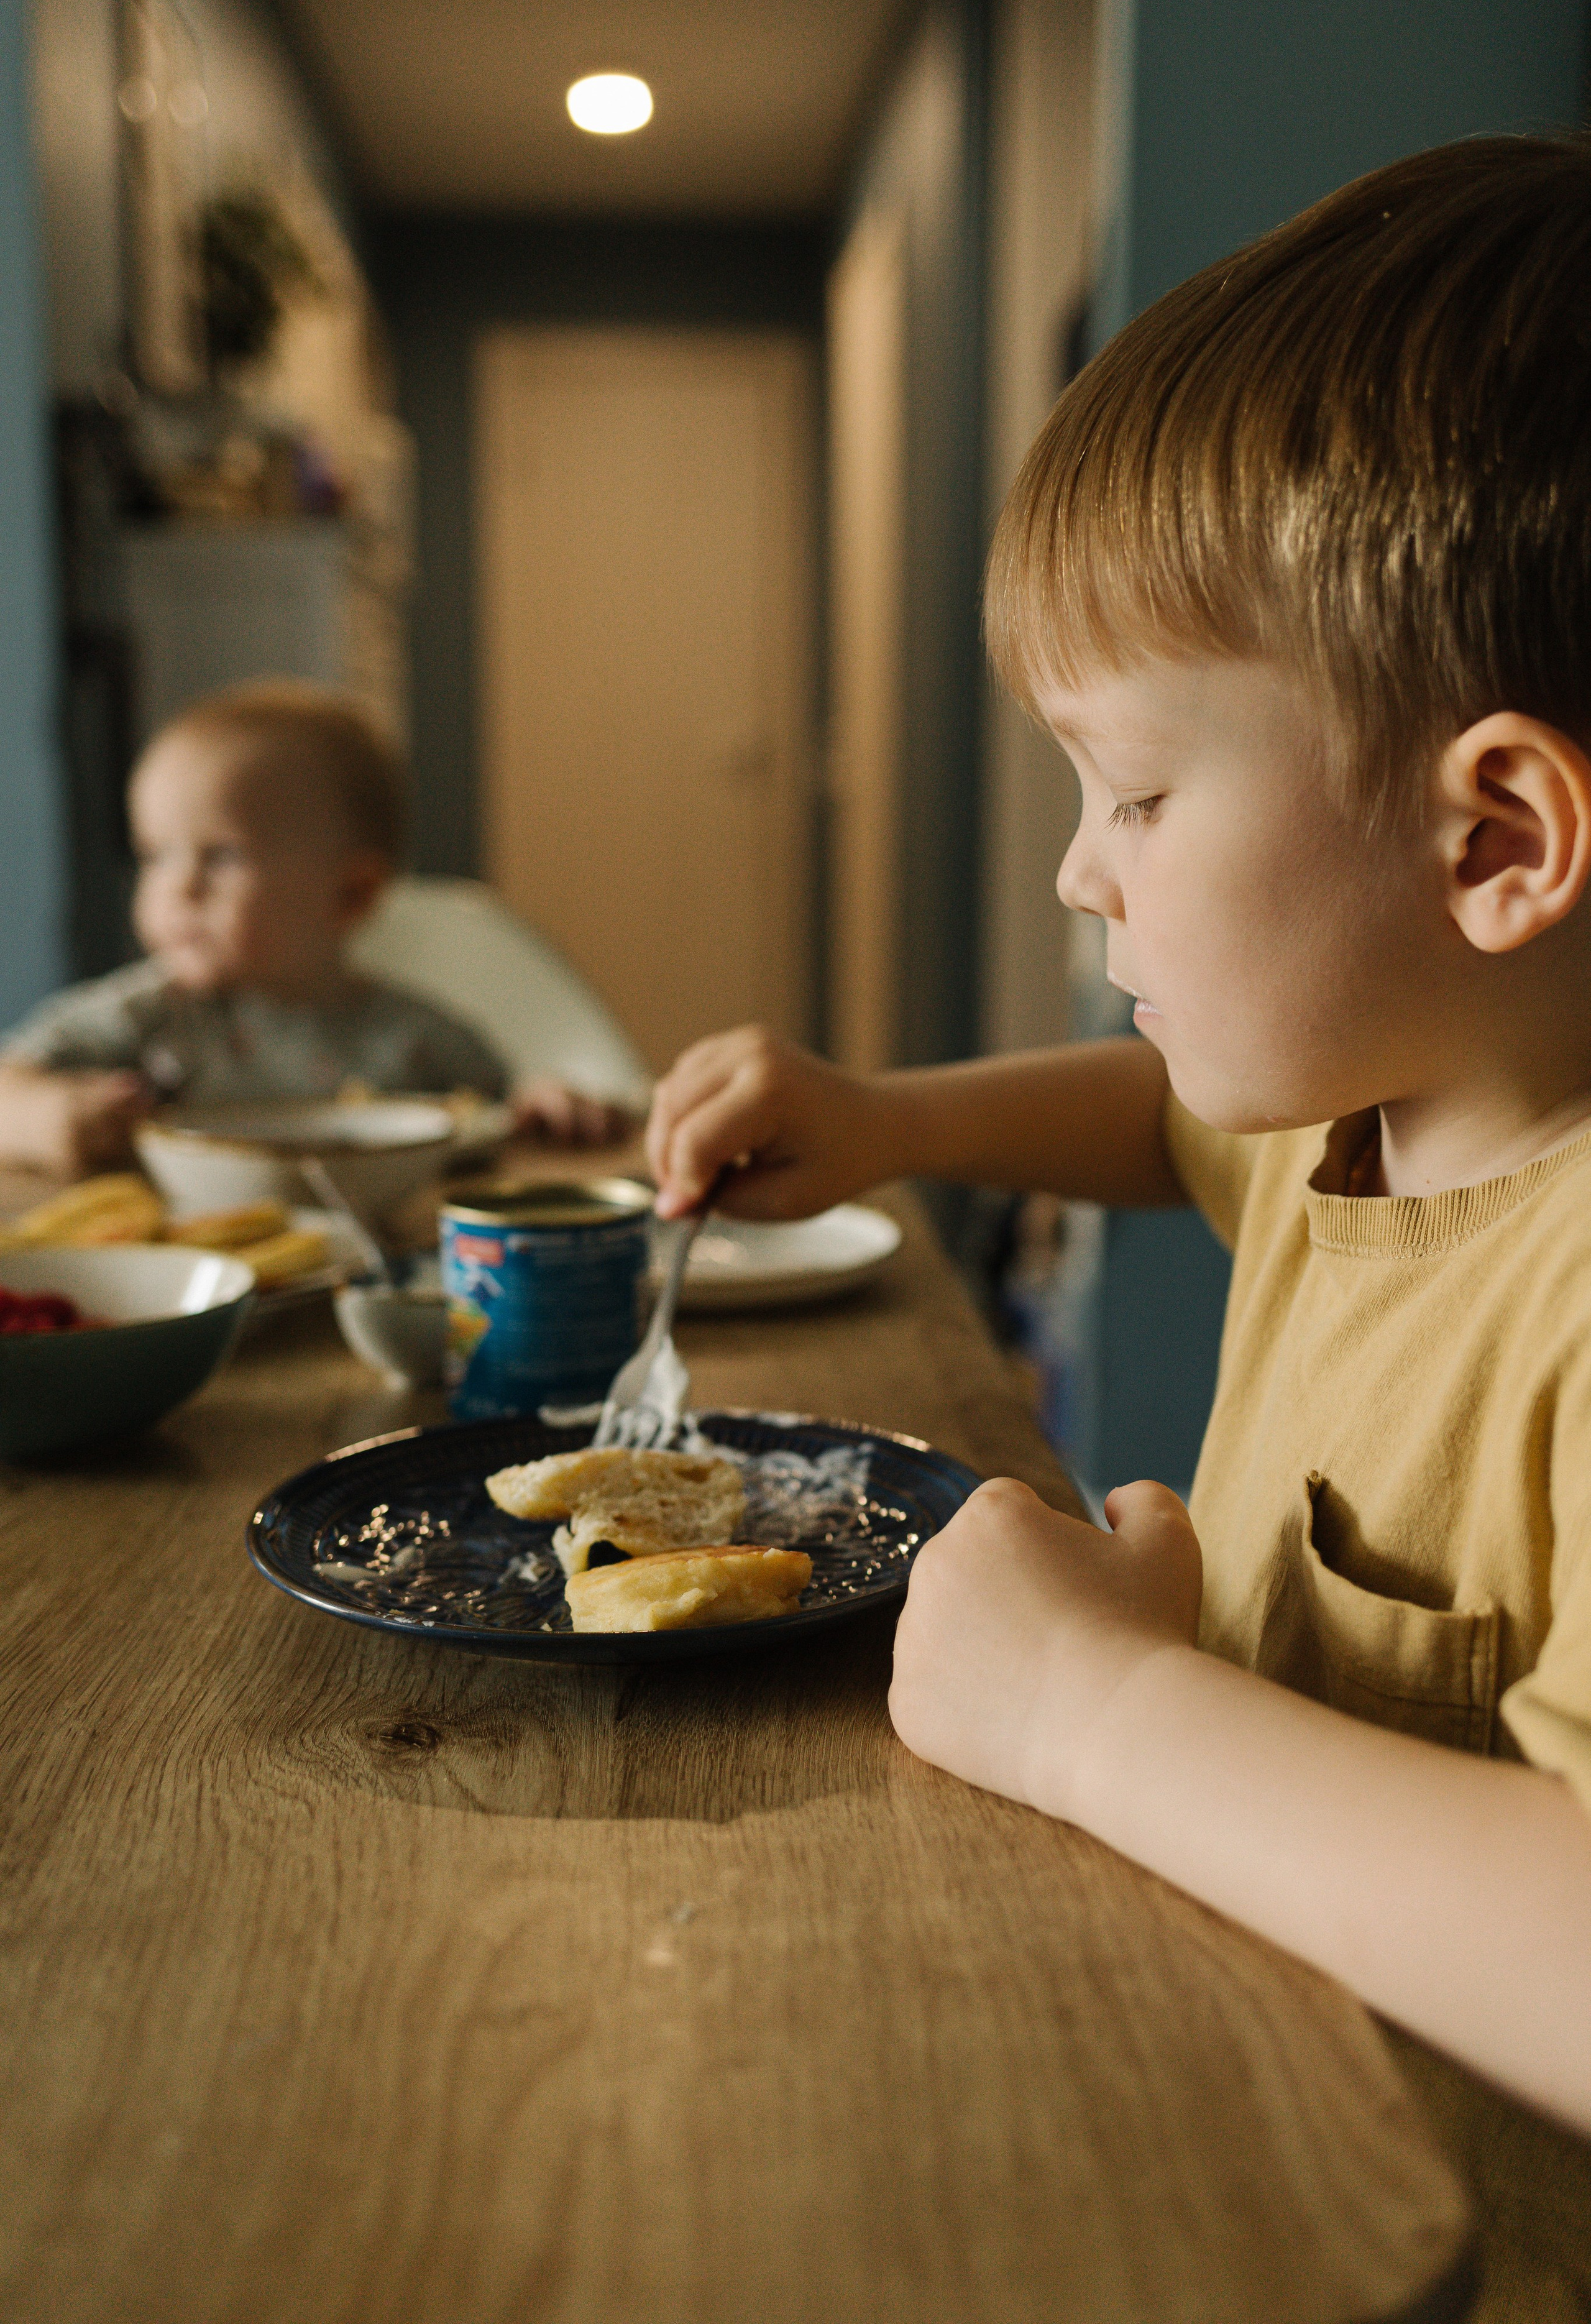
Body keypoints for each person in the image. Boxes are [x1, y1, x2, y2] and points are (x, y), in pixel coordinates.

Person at [646, 135, 1591, 2187]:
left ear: (1495, 840)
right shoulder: (1389, 1106)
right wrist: (896, 1124)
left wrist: (1095, 1715)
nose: (1081, 868)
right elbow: (1159, 1126)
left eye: (1139, 791)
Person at [0, 681, 628, 1172]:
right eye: (155, 854)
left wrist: (548, 1110)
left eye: (221, 856)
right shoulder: (151, 1019)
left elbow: (500, 1121)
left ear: (351, 894)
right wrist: (45, 1118)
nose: (179, 888)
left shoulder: (413, 1043)